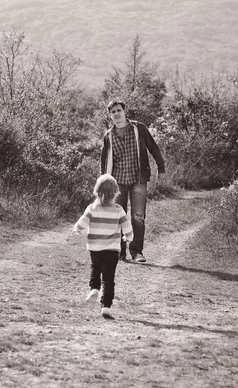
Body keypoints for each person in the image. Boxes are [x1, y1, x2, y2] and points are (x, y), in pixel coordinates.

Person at [100, 98, 167, 263]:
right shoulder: (108, 136)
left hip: (138, 179)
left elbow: (154, 148)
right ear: (110, 115)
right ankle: (119, 252)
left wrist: (161, 169)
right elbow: (104, 162)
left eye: (119, 110)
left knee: (138, 216)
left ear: (124, 111)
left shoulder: (139, 129)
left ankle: (137, 252)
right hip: (118, 182)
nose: (116, 114)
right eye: (113, 112)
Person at [73, 173, 133, 319]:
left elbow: (81, 223)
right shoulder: (118, 210)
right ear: (116, 193)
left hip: (95, 248)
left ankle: (94, 289)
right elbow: (127, 227)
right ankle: (106, 306)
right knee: (109, 278)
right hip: (112, 250)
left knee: (95, 268)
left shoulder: (92, 208)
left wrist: (77, 229)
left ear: (97, 191)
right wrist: (128, 237)